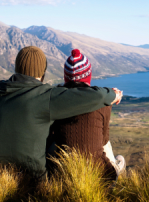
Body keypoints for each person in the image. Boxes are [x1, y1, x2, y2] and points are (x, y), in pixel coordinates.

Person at [0, 46, 122, 178]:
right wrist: (113, 94)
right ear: (42, 72)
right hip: (30, 183)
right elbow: (96, 96)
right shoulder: (43, 97)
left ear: (17, 68)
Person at [47, 49, 126, 181]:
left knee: (54, 140)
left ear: (66, 77)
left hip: (64, 175)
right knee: (104, 141)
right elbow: (104, 140)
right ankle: (115, 170)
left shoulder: (56, 100)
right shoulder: (103, 102)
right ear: (88, 75)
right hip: (101, 177)